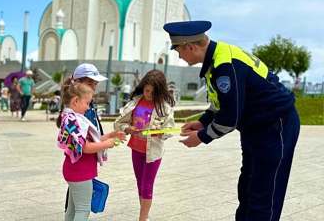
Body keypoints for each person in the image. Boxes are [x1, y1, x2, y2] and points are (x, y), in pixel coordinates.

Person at [165, 20, 299, 221]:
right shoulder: (218, 57)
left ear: (190, 46)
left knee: (264, 195)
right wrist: (203, 121)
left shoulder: (224, 66)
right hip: (256, 126)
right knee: (247, 189)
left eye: (178, 51)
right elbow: (222, 101)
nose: (179, 56)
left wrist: (201, 136)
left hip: (275, 125)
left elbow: (230, 118)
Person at [56, 77, 126, 221]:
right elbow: (86, 147)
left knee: (73, 208)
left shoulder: (70, 117)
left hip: (74, 170)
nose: (88, 107)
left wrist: (110, 136)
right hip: (80, 172)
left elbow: (91, 141)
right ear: (76, 101)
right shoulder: (74, 120)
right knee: (83, 210)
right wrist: (107, 144)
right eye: (87, 103)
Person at [114, 70, 175, 221]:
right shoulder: (135, 101)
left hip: (153, 152)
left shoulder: (164, 107)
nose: (149, 94)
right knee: (140, 185)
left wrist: (159, 131)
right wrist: (127, 129)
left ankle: (142, 219)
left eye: (153, 92)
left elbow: (170, 130)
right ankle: (145, 217)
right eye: (147, 90)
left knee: (147, 186)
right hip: (136, 148)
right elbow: (119, 123)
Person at [71, 63, 108, 134]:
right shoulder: (74, 105)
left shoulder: (88, 101)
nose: (94, 88)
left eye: (96, 84)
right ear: (78, 82)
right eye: (90, 84)